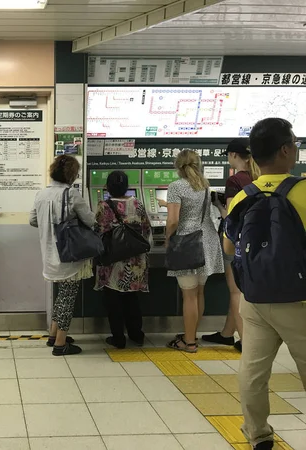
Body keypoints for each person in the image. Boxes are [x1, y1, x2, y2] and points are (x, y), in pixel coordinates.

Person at [225, 118, 306, 450]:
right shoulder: (302, 190)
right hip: (298, 300)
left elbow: (230, 247)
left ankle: (258, 433)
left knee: (253, 372)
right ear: (285, 150)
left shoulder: (242, 196)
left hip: (255, 299)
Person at [30, 155, 94, 356]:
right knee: (68, 298)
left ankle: (53, 334)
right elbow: (91, 220)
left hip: (49, 255)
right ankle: (60, 344)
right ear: (72, 175)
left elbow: (33, 220)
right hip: (69, 256)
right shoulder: (71, 195)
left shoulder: (41, 194)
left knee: (61, 295)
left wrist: (49, 225)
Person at [203, 139, 260, 353]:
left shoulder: (235, 181)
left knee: (235, 292)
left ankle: (245, 341)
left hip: (234, 240)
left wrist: (218, 205)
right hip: (254, 241)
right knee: (238, 291)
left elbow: (230, 215)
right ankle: (227, 334)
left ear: (234, 155)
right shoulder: (258, 177)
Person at [166, 150, 224, 353]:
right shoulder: (205, 186)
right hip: (207, 240)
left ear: (178, 167)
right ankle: (192, 335)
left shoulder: (176, 187)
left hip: (187, 243)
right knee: (199, 293)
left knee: (188, 296)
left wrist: (167, 239)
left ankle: (188, 342)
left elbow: (173, 221)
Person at [95, 171, 152, 349]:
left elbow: (98, 231)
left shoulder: (104, 206)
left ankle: (118, 337)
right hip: (135, 260)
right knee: (131, 298)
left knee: (113, 300)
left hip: (113, 261)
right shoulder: (138, 204)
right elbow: (146, 230)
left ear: (108, 187)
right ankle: (136, 334)